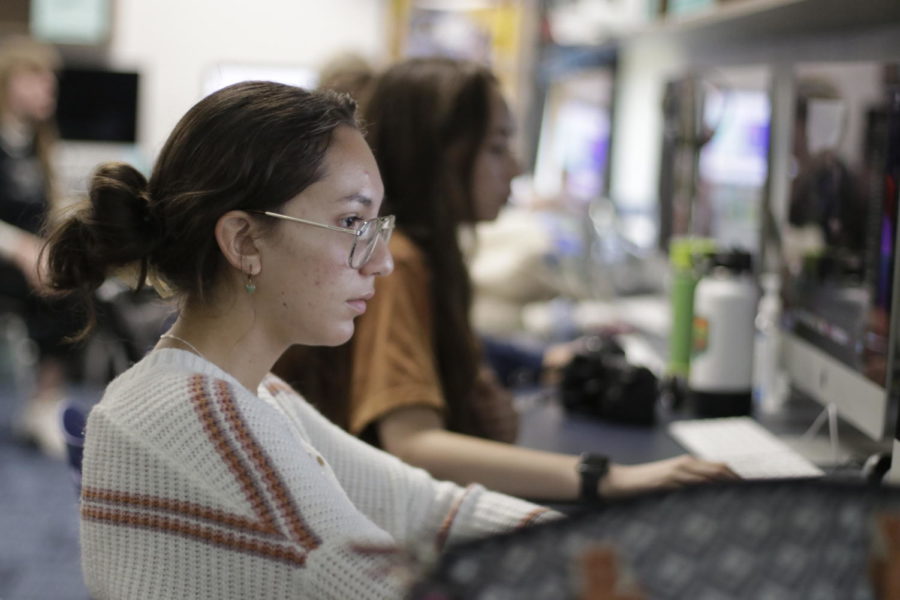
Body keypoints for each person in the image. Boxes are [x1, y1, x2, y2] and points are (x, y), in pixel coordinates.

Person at [42, 81, 557, 599]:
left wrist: (598, 530)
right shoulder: (196, 411)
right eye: (352, 221)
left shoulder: (249, 391)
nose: (383, 260)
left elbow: (420, 507)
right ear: (244, 241)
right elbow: (394, 587)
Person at [276, 57, 736, 503]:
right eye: (497, 147)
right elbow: (413, 443)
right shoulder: (399, 263)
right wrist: (608, 478)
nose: (515, 167)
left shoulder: (435, 256)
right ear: (442, 157)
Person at [0, 35, 78, 458]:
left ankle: (45, 401)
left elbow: (49, 212)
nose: (48, 85)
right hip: (8, 258)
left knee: (78, 281)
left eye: (50, 77)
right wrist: (22, 250)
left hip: (27, 260)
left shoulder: (38, 144)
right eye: (34, 75)